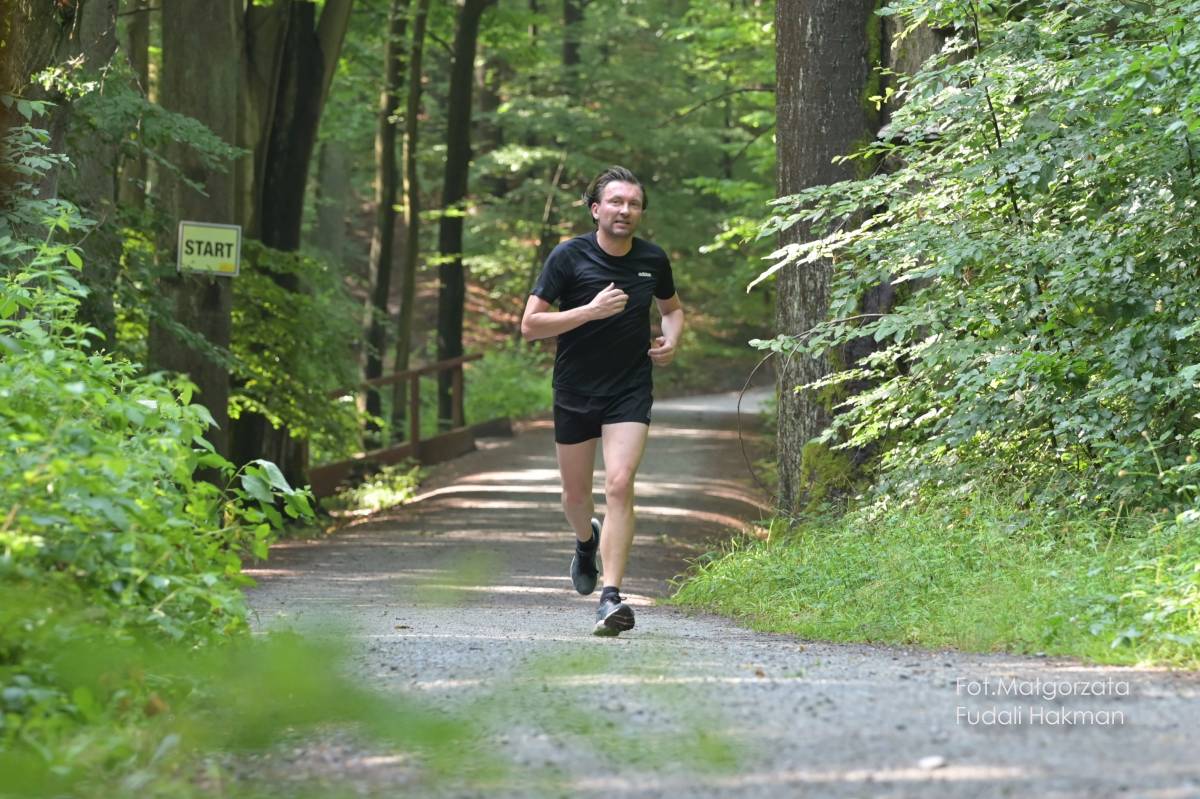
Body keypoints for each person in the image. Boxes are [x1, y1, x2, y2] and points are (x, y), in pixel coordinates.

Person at [520, 165, 684, 636]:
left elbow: (672, 310)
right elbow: (530, 325)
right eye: (615, 202)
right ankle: (584, 540)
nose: (624, 210)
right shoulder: (568, 257)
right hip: (575, 389)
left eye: (633, 204)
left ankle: (610, 597)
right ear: (596, 210)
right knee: (575, 497)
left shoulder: (652, 259)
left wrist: (671, 340)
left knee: (619, 483)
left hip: (629, 388)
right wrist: (589, 312)